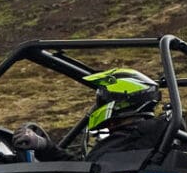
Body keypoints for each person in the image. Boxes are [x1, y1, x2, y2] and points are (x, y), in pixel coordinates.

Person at [9, 68, 164, 162]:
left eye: (102, 99)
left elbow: (84, 171)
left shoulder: (136, 136)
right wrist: (44, 146)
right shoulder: (149, 134)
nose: (98, 105)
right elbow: (86, 168)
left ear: (121, 100)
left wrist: (44, 147)